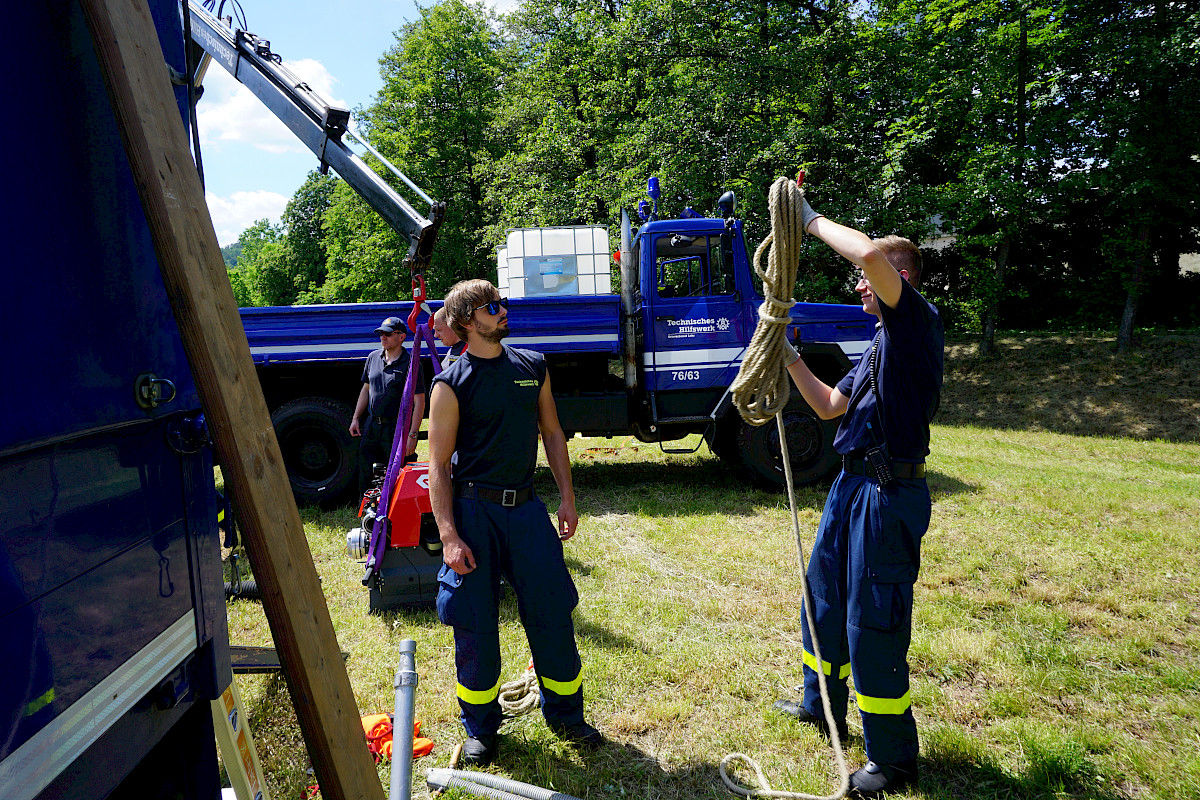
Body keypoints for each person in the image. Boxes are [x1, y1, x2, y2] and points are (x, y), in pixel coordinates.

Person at [774, 197, 944, 797]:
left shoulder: (915, 325)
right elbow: (829, 406)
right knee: (822, 598)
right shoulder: (877, 343)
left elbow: (869, 254)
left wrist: (813, 220)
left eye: (871, 282)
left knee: (871, 620)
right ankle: (820, 706)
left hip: (888, 492)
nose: (860, 286)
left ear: (899, 281)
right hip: (852, 485)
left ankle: (892, 759)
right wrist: (786, 353)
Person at [427, 279, 602, 765]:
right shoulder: (451, 383)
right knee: (476, 623)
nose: (503, 311)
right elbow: (437, 466)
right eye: (491, 306)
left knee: (552, 610)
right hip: (474, 512)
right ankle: (481, 728)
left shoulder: (532, 365)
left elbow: (552, 432)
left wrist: (566, 498)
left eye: (502, 303)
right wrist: (448, 536)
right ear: (467, 322)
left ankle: (567, 716)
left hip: (526, 510)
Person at [350, 317, 426, 492]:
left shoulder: (411, 363)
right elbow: (366, 389)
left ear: (401, 337)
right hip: (372, 426)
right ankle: (368, 513)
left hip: (396, 428)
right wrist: (356, 418)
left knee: (398, 474)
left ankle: (394, 514)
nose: (383, 337)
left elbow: (419, 401)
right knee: (367, 471)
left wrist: (412, 435)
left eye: (388, 334)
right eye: (381, 333)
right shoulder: (373, 357)